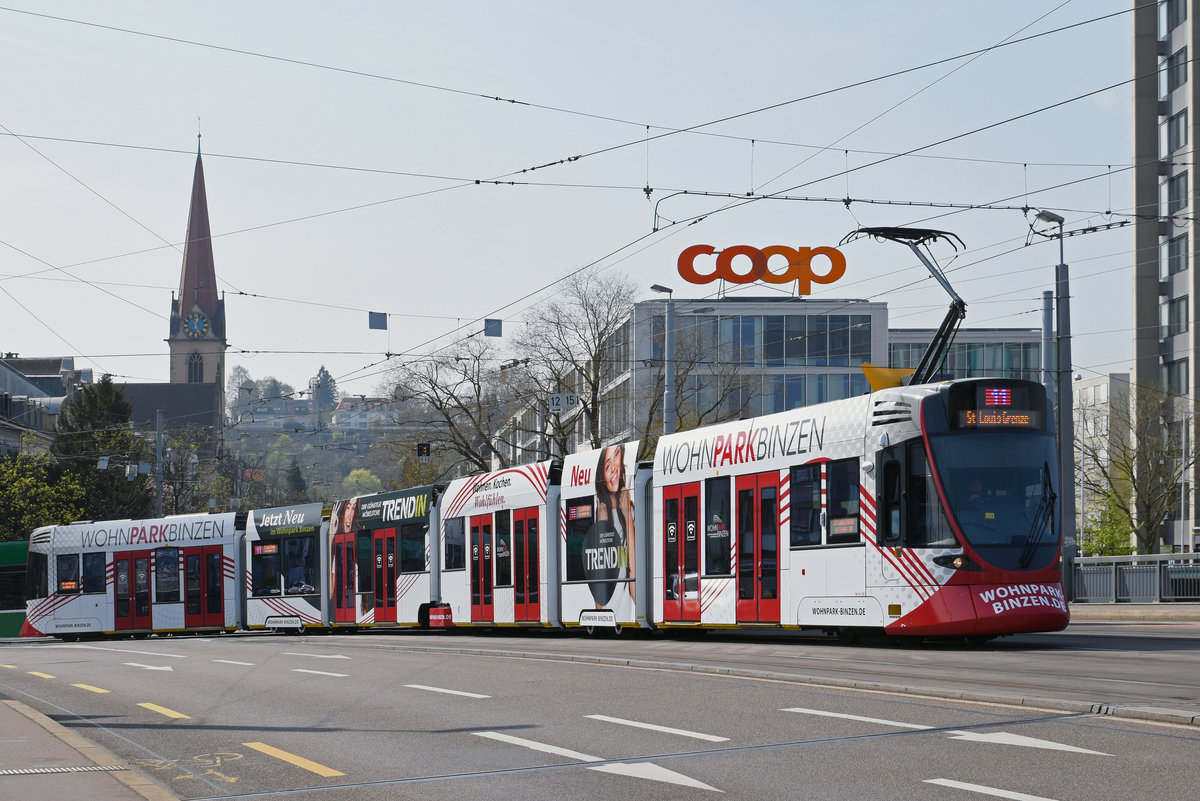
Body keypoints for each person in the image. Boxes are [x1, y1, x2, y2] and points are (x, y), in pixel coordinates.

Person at [595, 443, 635, 604]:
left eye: (617, 454)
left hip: (628, 611)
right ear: (602, 477)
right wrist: (601, 527)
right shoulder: (600, 516)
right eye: (607, 466)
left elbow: (635, 592)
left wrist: (628, 516)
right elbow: (599, 601)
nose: (613, 468)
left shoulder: (632, 511)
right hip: (609, 610)